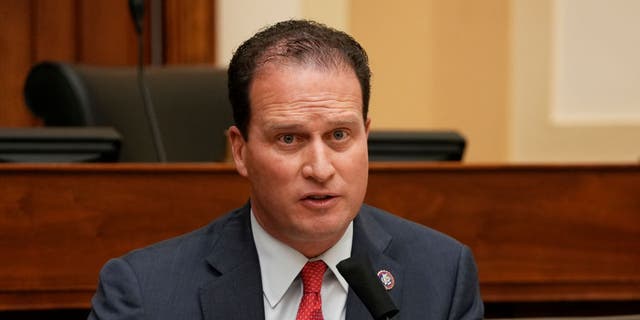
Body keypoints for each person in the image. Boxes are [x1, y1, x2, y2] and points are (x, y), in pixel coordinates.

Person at [89, 19, 483, 320]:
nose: (320, 167)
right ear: (240, 151)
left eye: (340, 135)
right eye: (289, 139)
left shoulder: (442, 277)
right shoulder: (145, 294)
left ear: (366, 136)